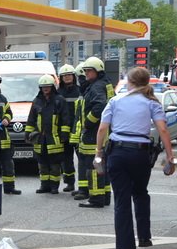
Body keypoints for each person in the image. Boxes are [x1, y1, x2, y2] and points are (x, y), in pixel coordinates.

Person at [97, 66, 176, 249]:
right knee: (140, 193)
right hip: (140, 154)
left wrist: (98, 153)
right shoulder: (151, 102)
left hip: (117, 153)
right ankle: (144, 236)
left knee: (121, 201)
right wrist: (170, 157)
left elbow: (102, 129)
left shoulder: (115, 101)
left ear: (129, 82)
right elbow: (163, 130)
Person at [75, 56, 115, 207]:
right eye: (85, 71)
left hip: (94, 133)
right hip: (105, 132)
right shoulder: (105, 84)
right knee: (102, 165)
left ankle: (96, 199)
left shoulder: (97, 86)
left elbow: (99, 106)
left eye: (89, 71)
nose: (86, 74)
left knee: (93, 166)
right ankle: (104, 196)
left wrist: (88, 123)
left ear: (97, 71)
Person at [25, 75, 70, 194]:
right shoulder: (36, 101)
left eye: (47, 87)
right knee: (42, 163)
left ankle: (54, 186)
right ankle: (44, 185)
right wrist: (28, 133)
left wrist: (64, 134)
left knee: (55, 164)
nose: (45, 89)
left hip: (55, 138)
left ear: (52, 87)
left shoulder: (59, 100)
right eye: (43, 87)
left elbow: (65, 119)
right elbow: (31, 120)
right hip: (40, 139)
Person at [57, 64, 81, 192]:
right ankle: (70, 183)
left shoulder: (80, 90)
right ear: (60, 78)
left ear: (73, 76)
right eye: (64, 76)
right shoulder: (58, 92)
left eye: (69, 75)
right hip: (63, 131)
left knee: (81, 158)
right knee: (66, 159)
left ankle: (83, 185)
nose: (67, 77)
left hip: (77, 130)